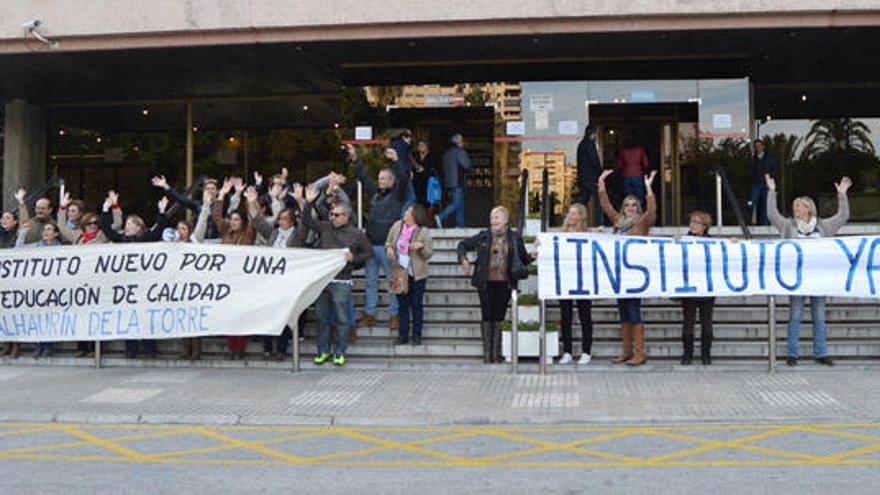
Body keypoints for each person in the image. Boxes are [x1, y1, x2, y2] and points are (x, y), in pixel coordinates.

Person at [766, 173, 851, 366]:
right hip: (796, 279)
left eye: (798, 205)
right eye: (794, 206)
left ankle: (821, 353)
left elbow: (843, 216)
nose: (795, 209)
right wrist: (772, 192)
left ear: (807, 208)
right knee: (795, 316)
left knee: (819, 317)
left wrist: (842, 196)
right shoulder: (788, 226)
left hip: (818, 279)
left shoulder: (823, 226)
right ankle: (792, 354)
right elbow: (772, 215)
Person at [300, 184, 373, 366]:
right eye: (331, 214)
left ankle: (340, 352)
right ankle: (323, 351)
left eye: (336, 215)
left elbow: (369, 253)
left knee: (341, 319)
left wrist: (354, 257)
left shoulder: (356, 234)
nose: (332, 217)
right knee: (322, 318)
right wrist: (308, 202)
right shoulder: (325, 227)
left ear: (347, 217)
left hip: (341, 280)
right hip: (323, 280)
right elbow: (307, 220)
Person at [457, 206, 535, 364]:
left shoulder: (515, 237)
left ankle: (496, 353)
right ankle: (487, 354)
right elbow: (462, 245)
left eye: (497, 218)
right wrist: (463, 259)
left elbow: (523, 259)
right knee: (487, 315)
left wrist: (532, 256)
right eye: (492, 218)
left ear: (505, 221)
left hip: (505, 283)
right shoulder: (484, 236)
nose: (493, 221)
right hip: (486, 283)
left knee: (499, 316)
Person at [599, 168, 657, 366]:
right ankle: (626, 352)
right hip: (619, 274)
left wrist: (648, 188)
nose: (631, 207)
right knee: (623, 311)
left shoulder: (642, 223)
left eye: (634, 205)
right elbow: (606, 206)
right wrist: (601, 183)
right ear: (623, 208)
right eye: (627, 205)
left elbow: (652, 212)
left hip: (635, 275)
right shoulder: (618, 222)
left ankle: (640, 352)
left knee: (633, 311)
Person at [101, 192, 169, 359]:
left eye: (131, 224)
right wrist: (105, 210)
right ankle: (131, 349)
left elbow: (159, 230)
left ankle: (150, 349)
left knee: (145, 318)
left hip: (143, 286)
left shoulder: (146, 238)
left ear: (139, 227)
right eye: (127, 223)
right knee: (128, 318)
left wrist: (161, 212)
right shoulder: (121, 239)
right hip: (126, 286)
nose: (127, 226)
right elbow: (107, 231)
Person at [248, 185, 308, 360]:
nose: (281, 222)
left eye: (284, 219)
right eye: (280, 219)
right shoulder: (274, 233)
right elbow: (259, 223)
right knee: (268, 315)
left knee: (282, 316)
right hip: (270, 281)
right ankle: (267, 349)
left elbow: (306, 222)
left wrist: (301, 201)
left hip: (288, 282)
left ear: (292, 221)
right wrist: (252, 203)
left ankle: (281, 350)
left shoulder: (298, 235)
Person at [352, 144, 407, 331]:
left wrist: (397, 161)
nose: (380, 181)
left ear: (392, 181)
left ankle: (394, 315)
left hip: (388, 246)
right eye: (380, 178)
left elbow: (404, 178)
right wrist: (356, 160)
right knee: (371, 282)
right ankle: (370, 314)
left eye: (384, 178)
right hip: (370, 247)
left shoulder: (397, 195)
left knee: (393, 282)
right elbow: (364, 178)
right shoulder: (375, 195)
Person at [214, 180, 256, 359]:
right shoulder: (226, 234)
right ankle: (232, 349)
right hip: (226, 279)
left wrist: (250, 201)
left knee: (240, 316)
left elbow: (254, 220)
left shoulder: (247, 235)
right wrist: (221, 196)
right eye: (231, 220)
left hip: (242, 281)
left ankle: (240, 349)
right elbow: (216, 217)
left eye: (237, 219)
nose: (233, 222)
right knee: (229, 316)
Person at [385, 204, 434, 345]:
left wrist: (421, 247)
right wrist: (388, 248)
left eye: (408, 211)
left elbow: (429, 254)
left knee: (416, 304)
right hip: (399, 272)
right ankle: (403, 336)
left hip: (417, 274)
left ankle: (417, 336)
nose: (405, 213)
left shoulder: (423, 231)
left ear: (415, 216)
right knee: (402, 305)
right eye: (406, 210)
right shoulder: (397, 226)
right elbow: (388, 241)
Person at [556, 203, 596, 365]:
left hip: (583, 280)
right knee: (565, 316)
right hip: (565, 279)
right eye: (569, 213)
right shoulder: (561, 233)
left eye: (574, 213)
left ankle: (586, 351)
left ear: (581, 216)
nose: (570, 216)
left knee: (585, 315)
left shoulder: (587, 233)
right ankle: (567, 351)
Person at [678, 211, 716, 365]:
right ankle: (688, 355)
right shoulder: (683, 240)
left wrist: (731, 243)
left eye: (697, 222)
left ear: (705, 226)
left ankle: (706, 355)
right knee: (688, 322)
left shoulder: (712, 242)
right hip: (689, 288)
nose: (692, 225)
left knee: (706, 322)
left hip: (707, 288)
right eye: (691, 221)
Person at [151, 175, 221, 241]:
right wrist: (165, 186)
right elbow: (181, 199)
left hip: (216, 241)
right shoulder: (198, 205)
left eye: (212, 188)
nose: (210, 191)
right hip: (200, 241)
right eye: (207, 189)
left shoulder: (222, 205)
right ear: (203, 192)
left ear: (217, 191)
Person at [32, 223, 63, 358]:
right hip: (38, 286)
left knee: (49, 317)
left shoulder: (60, 248)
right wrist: (22, 233)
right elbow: (18, 247)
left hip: (53, 287)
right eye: (44, 229)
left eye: (49, 229)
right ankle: (38, 346)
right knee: (38, 317)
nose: (45, 231)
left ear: (56, 234)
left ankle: (48, 347)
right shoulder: (36, 246)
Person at [437, 133, 473, 228]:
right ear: (458, 142)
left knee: (460, 204)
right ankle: (440, 217)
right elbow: (466, 165)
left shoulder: (446, 153)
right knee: (456, 203)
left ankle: (460, 225)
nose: (463, 143)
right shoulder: (459, 152)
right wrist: (471, 168)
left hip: (450, 182)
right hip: (458, 181)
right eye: (462, 141)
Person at [576, 123, 603, 226]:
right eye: (596, 133)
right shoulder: (590, 144)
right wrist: (600, 172)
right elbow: (594, 160)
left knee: (584, 201)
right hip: (592, 178)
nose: (596, 136)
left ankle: (578, 222)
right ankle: (597, 223)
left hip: (583, 178)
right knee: (597, 202)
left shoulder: (581, 144)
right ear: (593, 133)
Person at [749, 139, 779, 226]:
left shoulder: (769, 159)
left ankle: (765, 225)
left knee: (766, 205)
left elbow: (775, 170)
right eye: (756, 146)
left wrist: (769, 176)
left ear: (763, 146)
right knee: (752, 203)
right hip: (756, 184)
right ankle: (747, 223)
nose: (758, 148)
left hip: (766, 185)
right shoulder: (753, 159)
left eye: (759, 146)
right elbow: (750, 171)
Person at [615, 136, 650, 208]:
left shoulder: (623, 151)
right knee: (639, 199)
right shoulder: (640, 150)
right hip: (638, 176)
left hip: (626, 177)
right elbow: (646, 164)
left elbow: (619, 165)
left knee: (628, 199)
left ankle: (629, 217)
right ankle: (639, 216)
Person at [390, 129, 416, 215]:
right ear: (404, 137)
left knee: (401, 198)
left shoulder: (395, 145)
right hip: (403, 175)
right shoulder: (403, 146)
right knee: (411, 197)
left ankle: (400, 217)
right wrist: (409, 171)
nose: (410, 139)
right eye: (409, 137)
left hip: (397, 175)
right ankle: (402, 217)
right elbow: (403, 162)